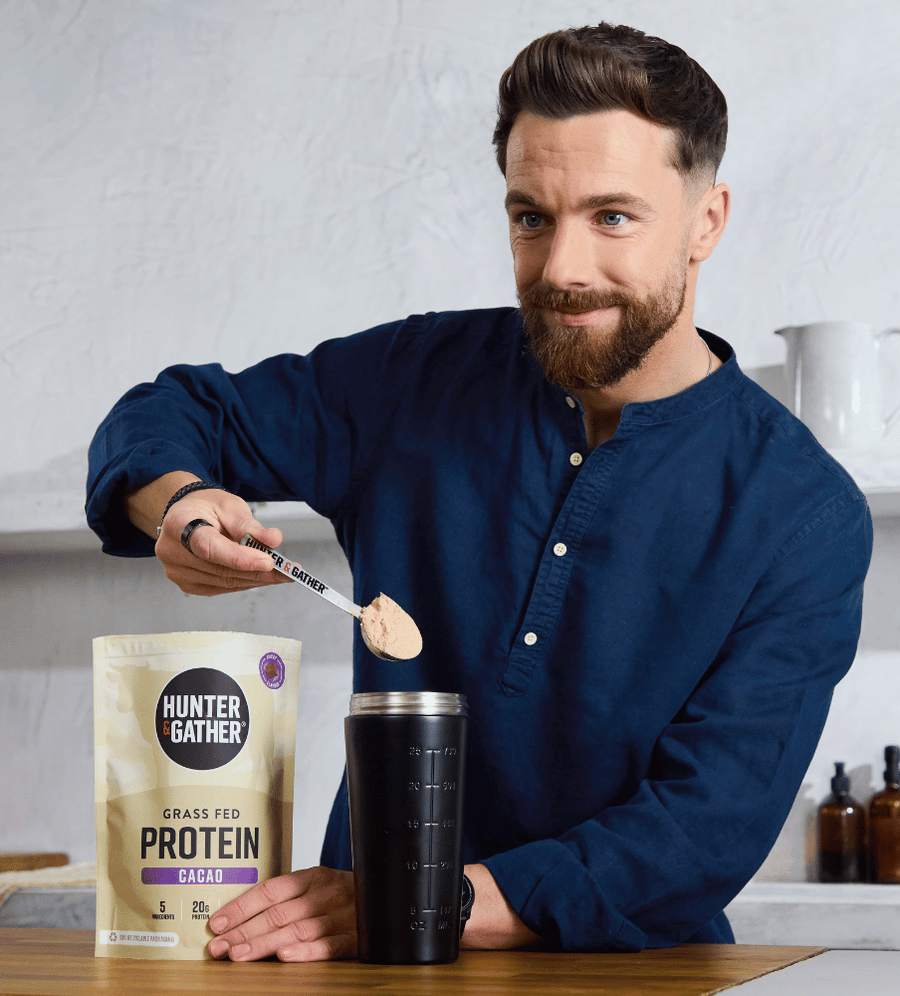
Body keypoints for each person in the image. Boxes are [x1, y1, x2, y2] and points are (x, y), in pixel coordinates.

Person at [87, 22, 872, 961]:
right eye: (531, 217)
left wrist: (416, 900)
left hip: (629, 981)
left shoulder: (804, 514)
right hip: (370, 972)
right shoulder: (414, 380)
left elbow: (701, 832)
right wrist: (176, 504)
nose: (563, 269)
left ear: (707, 221)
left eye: (613, 217)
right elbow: (178, 410)